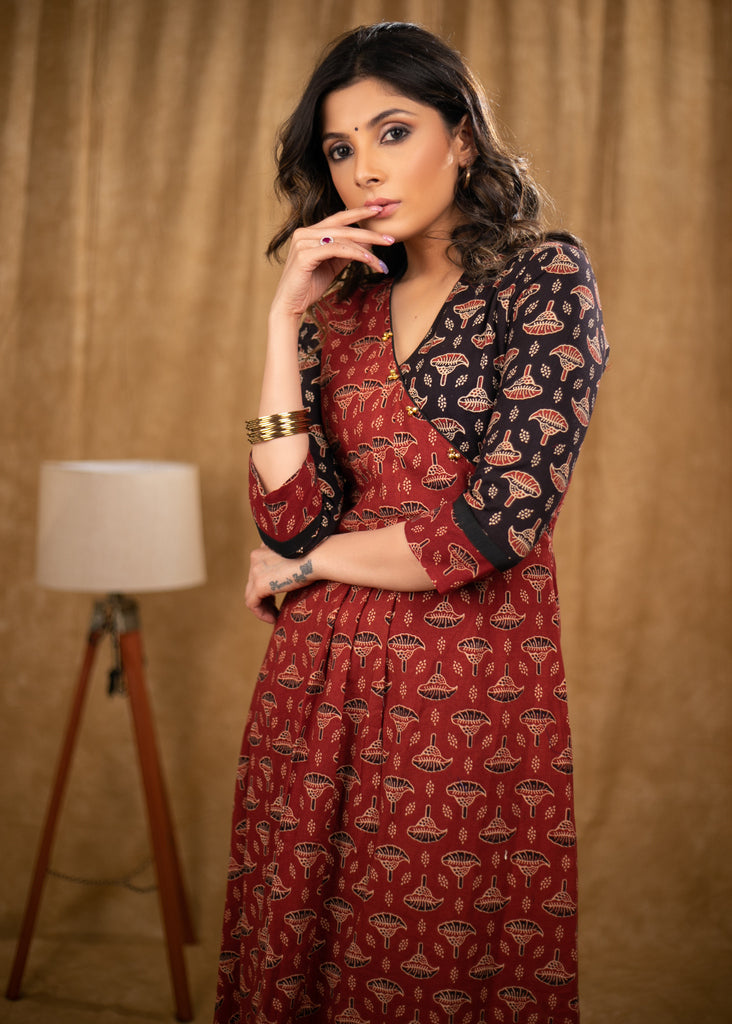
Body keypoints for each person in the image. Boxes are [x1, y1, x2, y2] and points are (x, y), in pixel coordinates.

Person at [215, 21, 608, 1024]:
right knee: (291, 944)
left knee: (433, 961)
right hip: (314, 680)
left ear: (462, 136)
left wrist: (307, 567)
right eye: (341, 148)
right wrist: (282, 321)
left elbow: (495, 525)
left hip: (465, 677)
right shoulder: (340, 309)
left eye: (393, 132)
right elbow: (286, 511)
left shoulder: (542, 281)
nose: (365, 169)